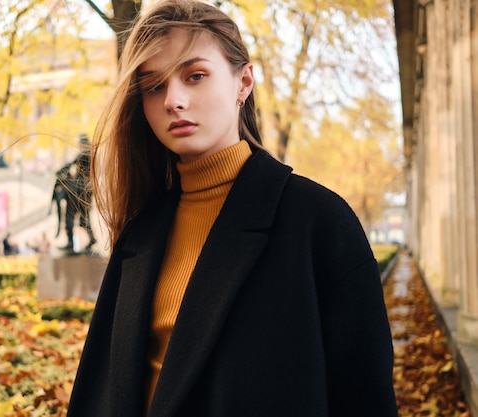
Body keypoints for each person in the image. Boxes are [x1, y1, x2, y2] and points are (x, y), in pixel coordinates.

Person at [66, 1, 398, 417]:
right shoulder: (142, 231)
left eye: (196, 76)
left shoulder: (319, 222)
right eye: (154, 86)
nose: (174, 100)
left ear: (243, 82)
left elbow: (365, 399)